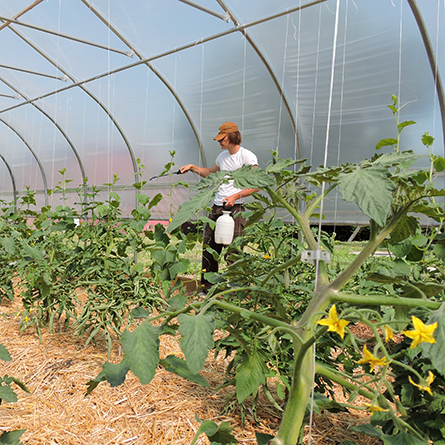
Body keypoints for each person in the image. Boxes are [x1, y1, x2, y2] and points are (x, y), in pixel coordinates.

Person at [180, 122, 259, 290]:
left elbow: (257, 184)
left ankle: (237, 290)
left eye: (222, 139)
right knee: (209, 248)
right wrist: (193, 167)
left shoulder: (247, 157)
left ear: (232, 136)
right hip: (217, 207)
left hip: (236, 208)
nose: (219, 142)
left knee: (234, 251)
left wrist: (235, 196)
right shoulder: (222, 157)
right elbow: (210, 173)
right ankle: (207, 288)